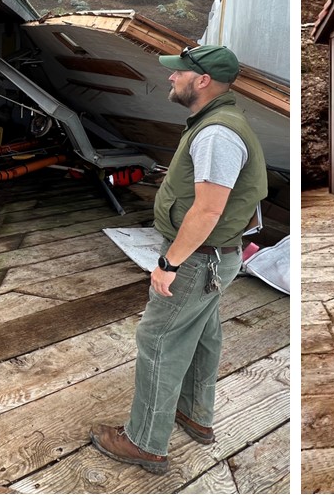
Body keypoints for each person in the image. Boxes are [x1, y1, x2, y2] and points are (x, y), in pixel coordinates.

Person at [89, 44, 268, 473]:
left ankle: (146, 441)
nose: (171, 77)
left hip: (196, 261)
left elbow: (207, 209)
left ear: (202, 81)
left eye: (179, 72)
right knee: (203, 334)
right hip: (214, 259)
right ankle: (194, 415)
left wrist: (169, 263)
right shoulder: (218, 122)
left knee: (159, 340)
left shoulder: (216, 134)